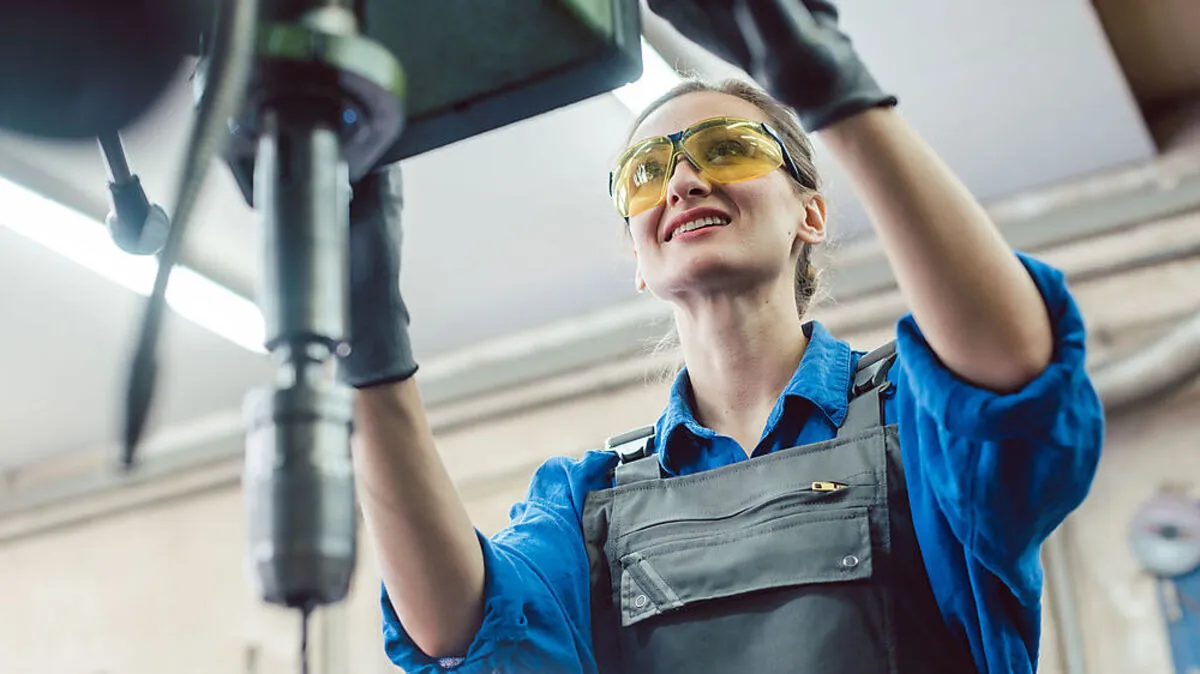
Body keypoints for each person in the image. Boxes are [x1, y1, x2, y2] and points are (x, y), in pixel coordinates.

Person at [341, 1, 1105, 672]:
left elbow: (1017, 383)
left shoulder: (914, 416)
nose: (681, 182)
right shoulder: (589, 504)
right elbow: (457, 631)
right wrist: (370, 350)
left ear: (810, 213)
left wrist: (839, 95)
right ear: (639, 260)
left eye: (727, 149)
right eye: (646, 173)